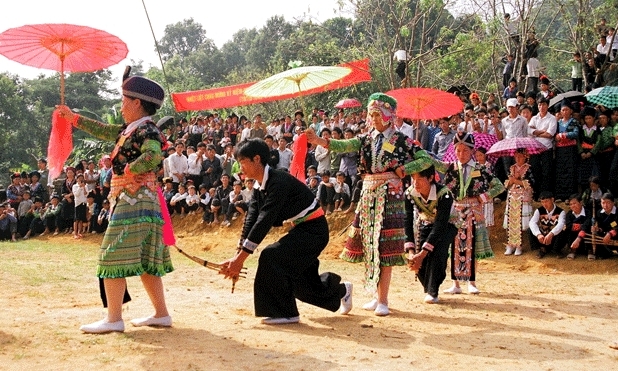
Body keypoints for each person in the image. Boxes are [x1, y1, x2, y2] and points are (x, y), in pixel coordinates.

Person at [57, 73, 173, 333]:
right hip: (140, 200)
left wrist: (131, 169)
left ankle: (114, 319)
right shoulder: (132, 129)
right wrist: (72, 117)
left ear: (136, 103)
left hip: (135, 199)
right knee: (145, 259)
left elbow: (154, 155)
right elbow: (102, 129)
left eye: (123, 100)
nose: (120, 106)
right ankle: (161, 313)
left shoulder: (146, 129)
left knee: (111, 255)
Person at [306, 92, 433, 316]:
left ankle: (383, 299)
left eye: (377, 114)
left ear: (387, 116)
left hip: (390, 195)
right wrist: (318, 141)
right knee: (370, 245)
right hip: (368, 193)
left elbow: (426, 159)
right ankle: (376, 296)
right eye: (371, 114)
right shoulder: (366, 138)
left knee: (384, 246)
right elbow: (344, 145)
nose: (373, 118)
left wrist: (405, 170)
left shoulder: (402, 140)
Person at [220, 139, 353, 324]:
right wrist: (238, 254)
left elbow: (264, 220)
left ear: (256, 159)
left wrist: (240, 259)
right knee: (299, 283)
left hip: (314, 231)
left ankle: (285, 312)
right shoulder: (259, 187)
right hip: (301, 230)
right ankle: (341, 291)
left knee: (271, 256)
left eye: (242, 162)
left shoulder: (278, 181)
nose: (240, 168)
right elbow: (252, 219)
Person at [437, 132, 505, 294]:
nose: (461, 154)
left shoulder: (481, 169)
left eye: (465, 151)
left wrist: (484, 196)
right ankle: (456, 284)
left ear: (472, 151)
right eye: (458, 151)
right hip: (455, 210)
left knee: (471, 246)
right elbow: (432, 162)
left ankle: (472, 282)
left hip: (473, 210)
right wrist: (420, 149)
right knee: (454, 246)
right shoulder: (450, 167)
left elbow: (499, 186)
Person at [404, 165, 457, 304]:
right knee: (419, 253)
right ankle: (428, 288)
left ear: (431, 178)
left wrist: (422, 254)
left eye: (420, 178)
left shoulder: (444, 194)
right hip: (426, 222)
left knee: (438, 252)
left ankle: (433, 290)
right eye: (413, 178)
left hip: (448, 224)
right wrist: (411, 252)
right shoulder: (409, 193)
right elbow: (407, 220)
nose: (416, 183)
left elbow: (441, 225)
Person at [503, 148, 535, 255]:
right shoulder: (511, 168)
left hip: (523, 197)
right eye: (516, 156)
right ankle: (510, 244)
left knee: (520, 221)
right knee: (511, 220)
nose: (518, 158)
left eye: (520, 156)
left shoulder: (529, 169)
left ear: (525, 157)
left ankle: (519, 245)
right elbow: (506, 183)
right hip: (512, 196)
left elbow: (531, 183)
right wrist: (511, 181)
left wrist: (517, 180)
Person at [528, 191, 567, 258]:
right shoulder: (539, 210)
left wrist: (551, 234)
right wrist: (538, 234)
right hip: (543, 236)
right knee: (530, 230)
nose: (544, 204)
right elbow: (532, 222)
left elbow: (560, 225)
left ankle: (557, 250)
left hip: (554, 237)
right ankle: (542, 249)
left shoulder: (561, 212)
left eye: (546, 201)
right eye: (542, 202)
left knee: (563, 230)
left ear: (552, 200)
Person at [564, 194, 591, 260]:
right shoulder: (569, 214)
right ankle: (573, 250)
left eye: (574, 203)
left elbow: (587, 224)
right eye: (571, 204)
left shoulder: (588, 212)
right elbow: (569, 226)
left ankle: (590, 250)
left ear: (581, 202)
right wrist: (581, 226)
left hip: (584, 235)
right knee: (568, 231)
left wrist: (581, 228)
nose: (573, 206)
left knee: (590, 229)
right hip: (574, 236)